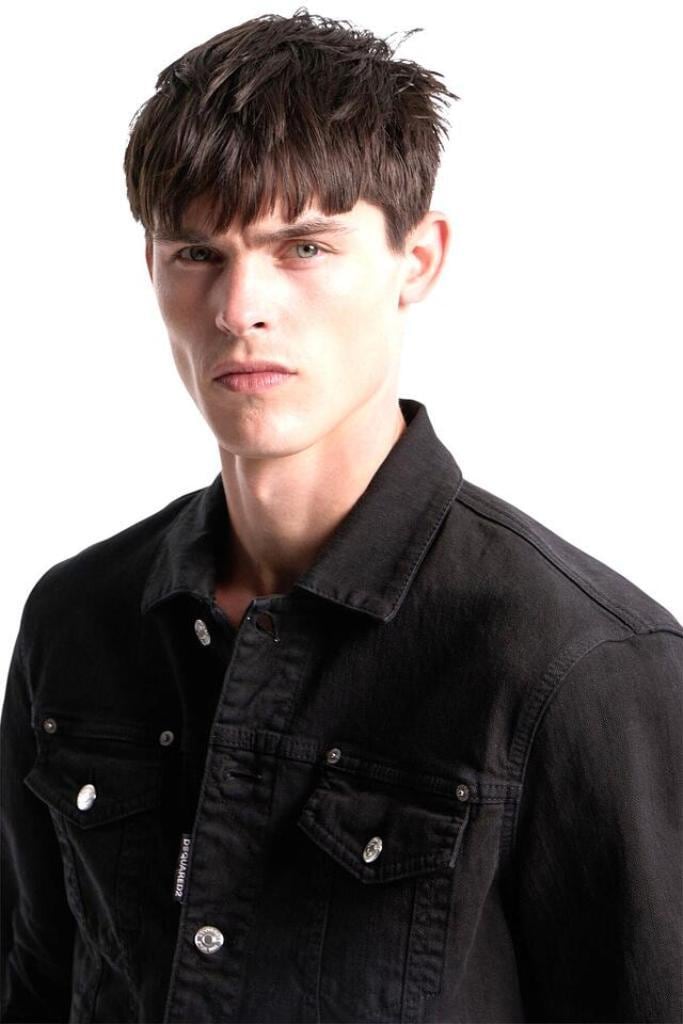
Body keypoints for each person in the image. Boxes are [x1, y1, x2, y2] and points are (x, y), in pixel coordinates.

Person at [1, 10, 681, 1024]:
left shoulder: (578, 665)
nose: (239, 308)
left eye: (304, 246)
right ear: (150, 266)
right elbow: (34, 982)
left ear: (418, 259)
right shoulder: (77, 619)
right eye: (197, 252)